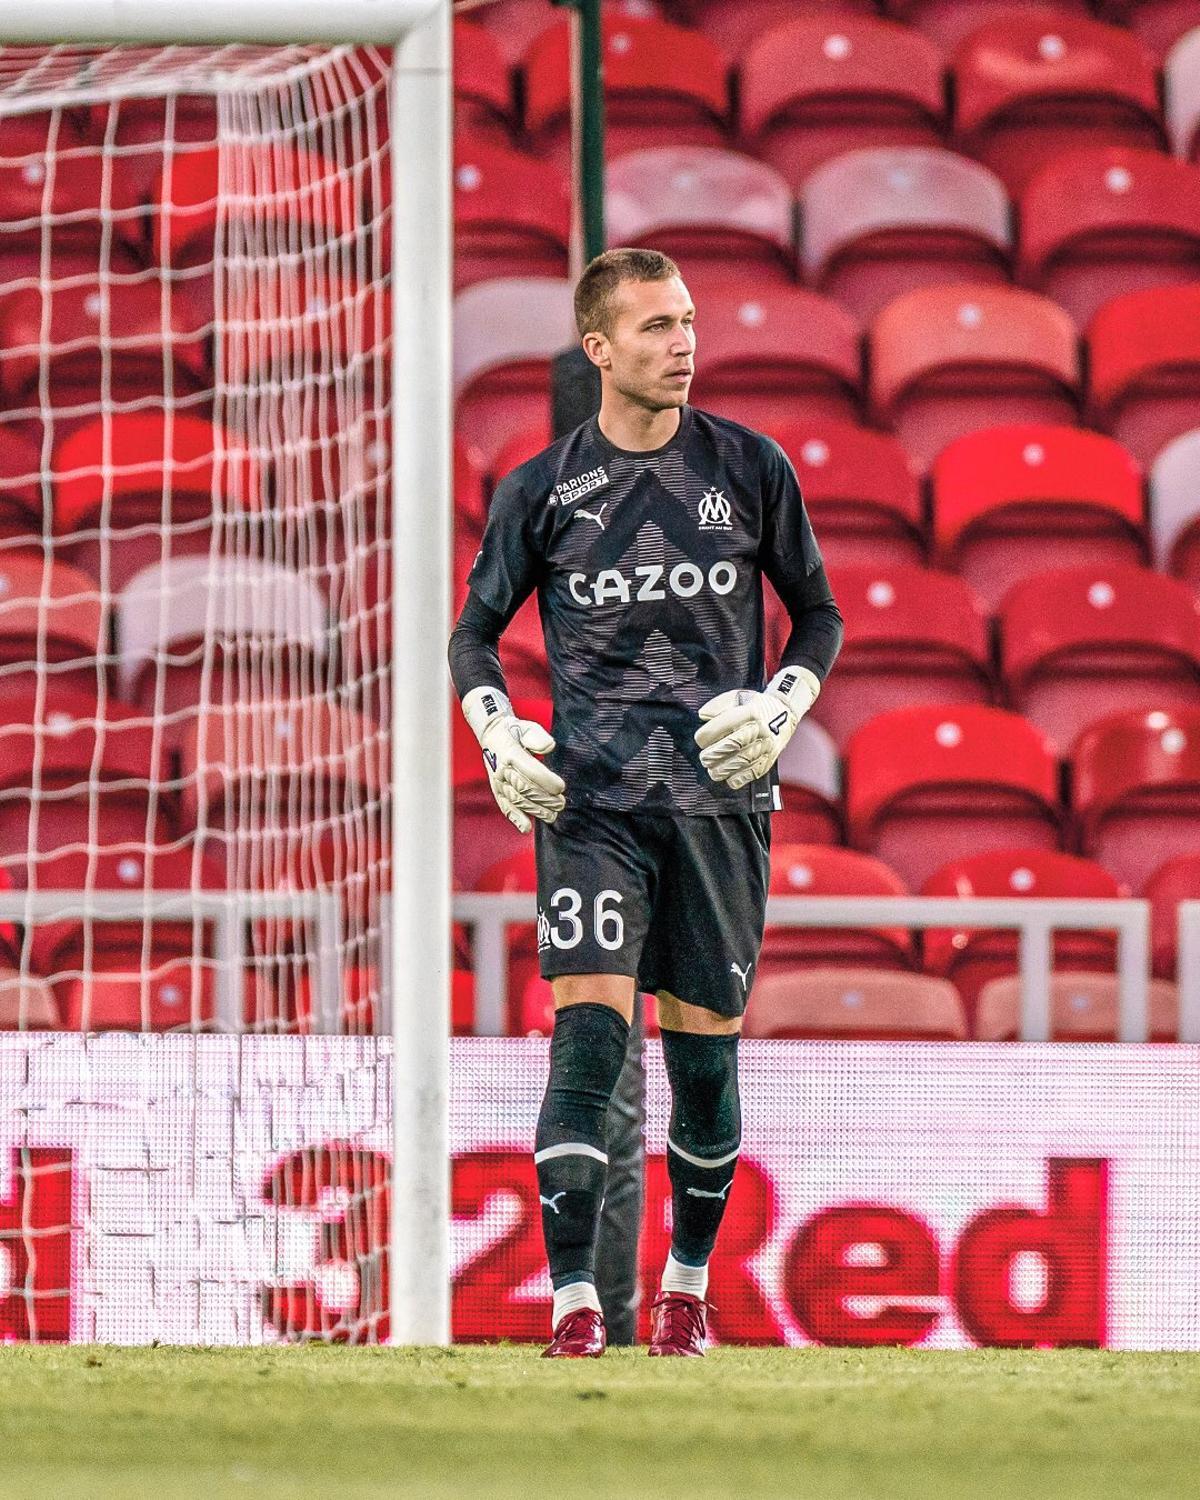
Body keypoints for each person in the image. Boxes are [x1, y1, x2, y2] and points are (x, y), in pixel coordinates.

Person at [448, 248, 843, 1358]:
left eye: (689, 322)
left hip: (721, 802)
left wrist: (785, 703)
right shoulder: (543, 490)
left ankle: (682, 1289)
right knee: (588, 1041)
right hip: (596, 806)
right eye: (660, 327)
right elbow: (472, 632)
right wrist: (494, 727)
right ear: (600, 348)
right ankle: (575, 1306)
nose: (685, 344)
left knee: (703, 1057)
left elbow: (817, 613)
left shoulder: (751, 467)